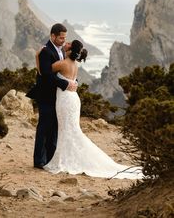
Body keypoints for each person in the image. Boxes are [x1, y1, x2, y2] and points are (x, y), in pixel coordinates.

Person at [43, 39, 143, 179]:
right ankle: (65, 157)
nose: (66, 45)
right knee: (71, 130)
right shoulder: (75, 64)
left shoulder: (62, 64)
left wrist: (38, 56)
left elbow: (44, 70)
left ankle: (63, 160)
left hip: (65, 100)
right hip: (73, 99)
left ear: (71, 50)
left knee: (65, 130)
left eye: (69, 45)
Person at [26, 23, 78, 169]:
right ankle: (39, 161)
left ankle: (50, 159)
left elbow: (66, 72)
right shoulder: (45, 51)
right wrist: (65, 85)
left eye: (64, 38)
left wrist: (73, 82)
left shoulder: (62, 52)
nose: (63, 40)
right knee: (44, 126)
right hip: (46, 95)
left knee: (55, 128)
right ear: (53, 36)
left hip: (58, 97)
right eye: (61, 38)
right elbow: (47, 75)